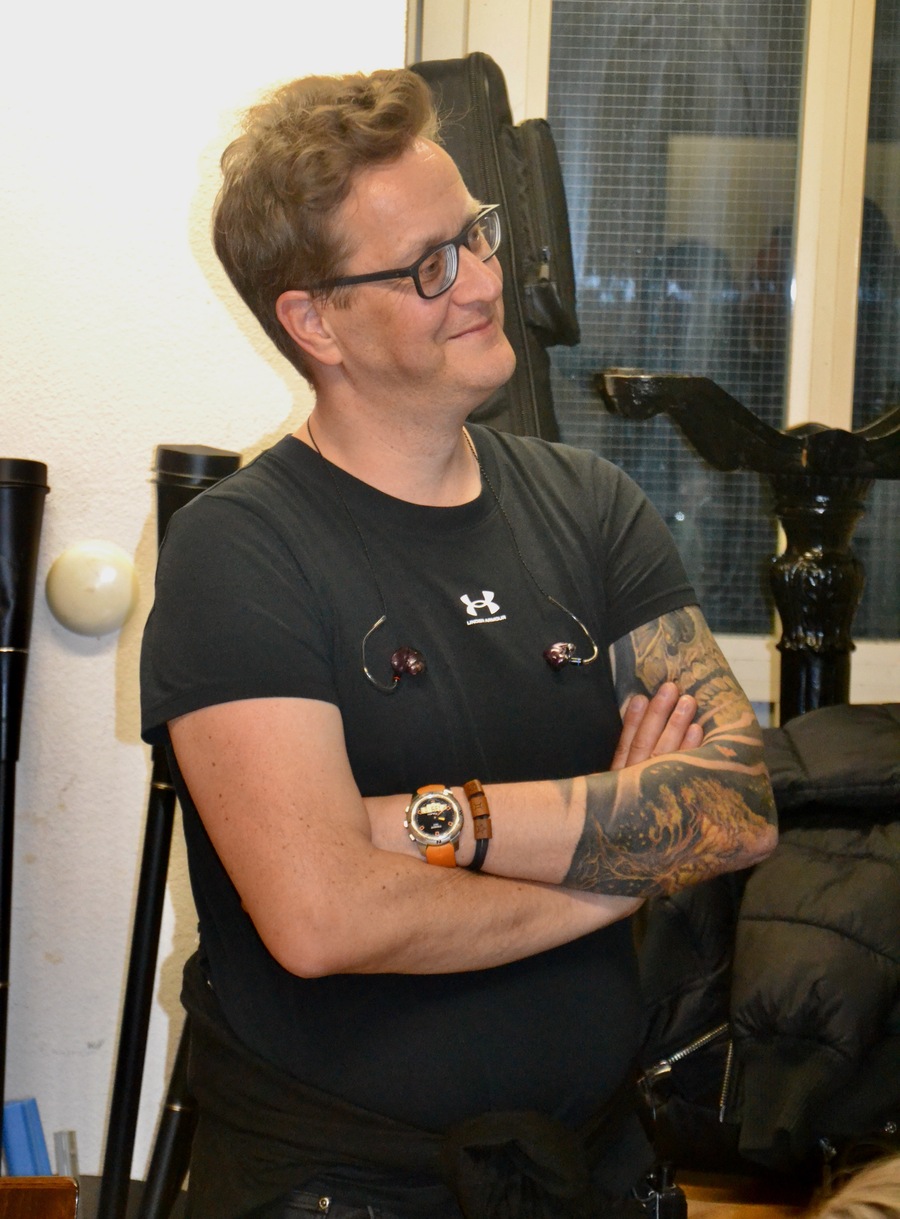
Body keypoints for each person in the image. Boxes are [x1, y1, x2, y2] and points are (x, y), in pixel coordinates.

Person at [140, 68, 777, 1219]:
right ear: (314, 320)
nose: (484, 281)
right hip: (338, 1187)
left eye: (476, 233)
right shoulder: (239, 551)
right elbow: (325, 916)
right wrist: (615, 879)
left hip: (593, 1168)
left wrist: (431, 823)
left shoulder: (592, 507)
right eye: (429, 265)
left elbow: (733, 804)